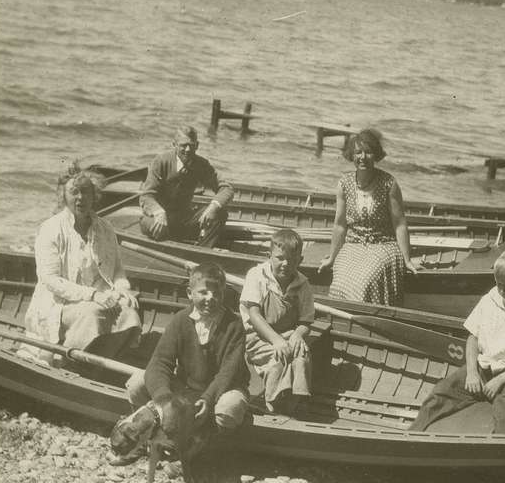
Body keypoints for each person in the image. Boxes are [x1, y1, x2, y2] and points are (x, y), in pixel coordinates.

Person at [410, 248, 505, 434]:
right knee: (442, 391)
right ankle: (413, 433)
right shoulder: (489, 301)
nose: (503, 291)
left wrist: (500, 380)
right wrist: (472, 373)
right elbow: (472, 337)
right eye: (499, 284)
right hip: (482, 370)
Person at [25, 163, 141, 363]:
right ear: (63, 196)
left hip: (101, 297)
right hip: (58, 303)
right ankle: (66, 361)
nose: (81, 198)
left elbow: (117, 271)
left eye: (86, 192)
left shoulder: (105, 228)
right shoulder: (51, 229)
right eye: (74, 192)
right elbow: (50, 280)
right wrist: (93, 295)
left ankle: (97, 361)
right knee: (93, 313)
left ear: (94, 195)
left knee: (130, 311)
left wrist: (123, 290)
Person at [125, 262, 250, 436]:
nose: (210, 298)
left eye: (217, 293)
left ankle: (208, 442)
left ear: (224, 294)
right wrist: (163, 399)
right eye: (203, 292)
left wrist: (208, 399)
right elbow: (160, 362)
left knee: (230, 408)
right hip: (188, 388)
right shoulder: (181, 320)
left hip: (223, 389)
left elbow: (228, 373)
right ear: (190, 294)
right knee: (136, 383)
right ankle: (157, 431)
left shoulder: (234, 325)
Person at [317, 128, 418, 305]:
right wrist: (332, 257)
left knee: (365, 281)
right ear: (351, 155)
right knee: (340, 283)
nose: (362, 157)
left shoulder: (389, 183)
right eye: (358, 152)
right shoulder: (344, 184)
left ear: (376, 155)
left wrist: (407, 259)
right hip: (353, 245)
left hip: (383, 245)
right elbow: (340, 225)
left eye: (368, 152)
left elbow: (400, 224)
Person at [240, 228, 315, 414]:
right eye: (280, 258)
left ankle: (298, 397)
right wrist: (276, 341)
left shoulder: (303, 283)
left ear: (300, 260)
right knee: (278, 359)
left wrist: (298, 334)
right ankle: (273, 400)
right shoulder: (257, 275)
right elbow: (255, 315)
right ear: (269, 256)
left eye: (292, 259)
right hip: (257, 336)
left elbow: (306, 321)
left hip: (288, 334)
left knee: (301, 356)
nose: (285, 264)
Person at [139, 126, 234, 248]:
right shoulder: (161, 161)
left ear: (197, 145)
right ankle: (166, 248)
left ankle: (202, 252)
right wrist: (159, 212)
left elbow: (226, 188)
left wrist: (214, 206)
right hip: (158, 218)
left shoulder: (201, 164)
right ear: (174, 144)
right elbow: (147, 196)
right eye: (183, 145)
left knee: (220, 213)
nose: (188, 150)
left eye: (192, 145)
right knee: (157, 228)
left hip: (183, 220)